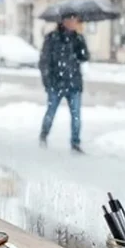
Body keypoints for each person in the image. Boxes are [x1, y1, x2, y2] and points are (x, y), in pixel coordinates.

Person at [38, 13, 89, 153]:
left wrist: (80, 42)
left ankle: (75, 142)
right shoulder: (52, 38)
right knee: (51, 112)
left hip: (74, 83)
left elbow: (84, 57)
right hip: (56, 82)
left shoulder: (78, 38)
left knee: (76, 115)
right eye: (71, 20)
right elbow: (44, 61)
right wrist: (47, 81)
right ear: (64, 21)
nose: (74, 23)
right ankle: (44, 134)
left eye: (75, 21)